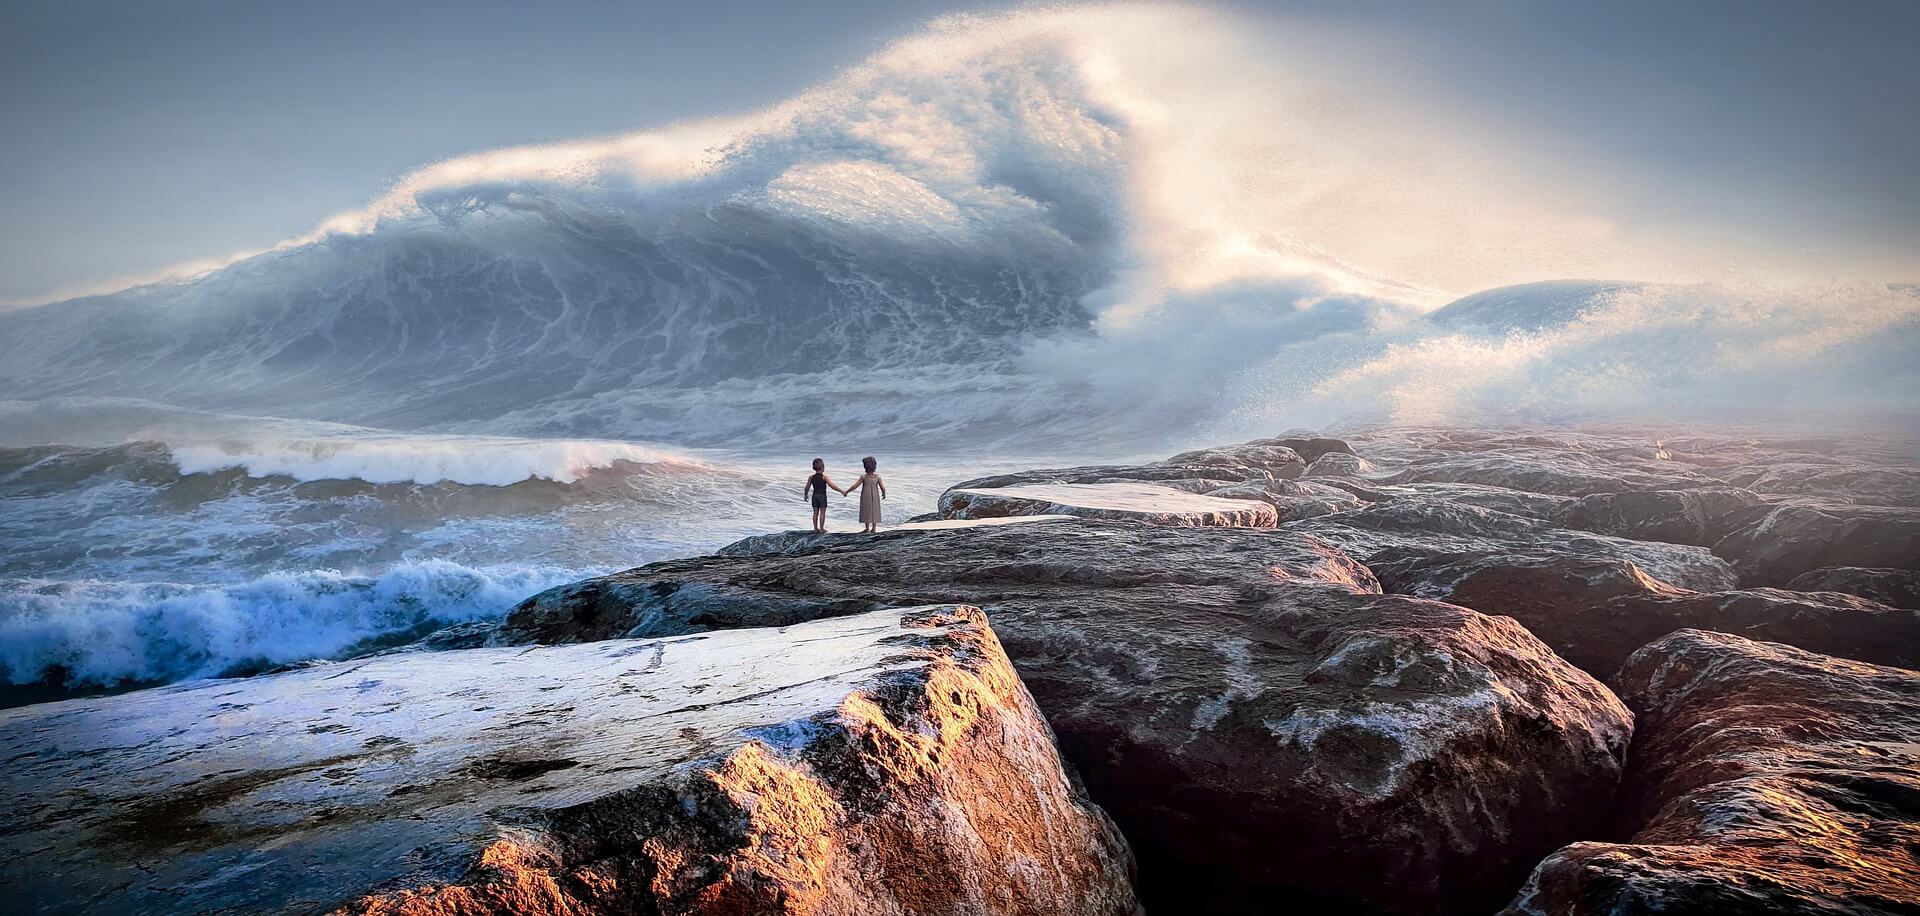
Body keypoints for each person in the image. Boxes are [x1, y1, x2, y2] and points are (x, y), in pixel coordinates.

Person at [802, 458, 846, 533]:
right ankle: (821, 528)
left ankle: (815, 528)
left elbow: (807, 487)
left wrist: (805, 495)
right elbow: (832, 486)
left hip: (814, 496)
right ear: (823, 467)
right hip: (822, 496)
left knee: (815, 512)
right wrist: (841, 491)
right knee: (822, 512)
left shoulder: (811, 477)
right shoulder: (824, 477)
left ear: (814, 468)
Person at [851, 455, 886, 533]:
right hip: (875, 495)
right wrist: (884, 494)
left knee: (865, 510)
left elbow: (855, 486)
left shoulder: (863, 477)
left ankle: (867, 528)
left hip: (865, 495)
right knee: (875, 510)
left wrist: (847, 491)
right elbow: (883, 487)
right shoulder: (877, 477)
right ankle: (874, 528)